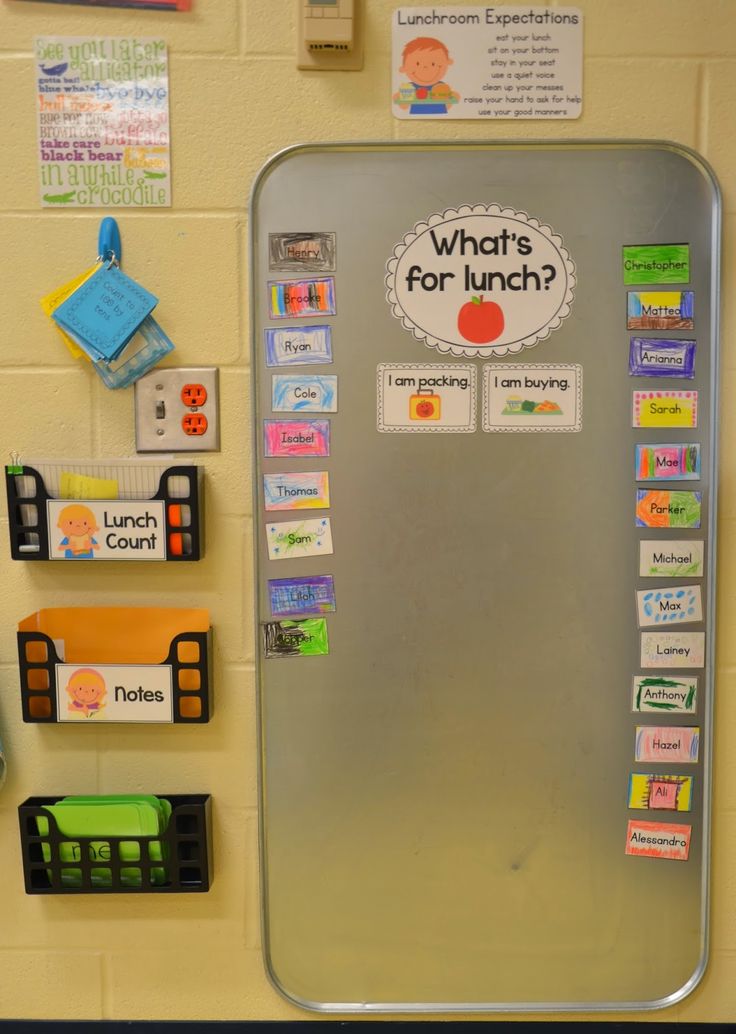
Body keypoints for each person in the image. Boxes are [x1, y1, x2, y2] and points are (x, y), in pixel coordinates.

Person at [394, 36, 460, 114]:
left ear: (448, 62)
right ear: (404, 68)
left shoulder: (441, 87)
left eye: (433, 64)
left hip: (441, 116)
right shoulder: (409, 89)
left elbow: (448, 105)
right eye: (417, 64)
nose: (425, 68)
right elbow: (404, 107)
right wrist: (399, 98)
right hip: (416, 118)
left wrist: (454, 97)